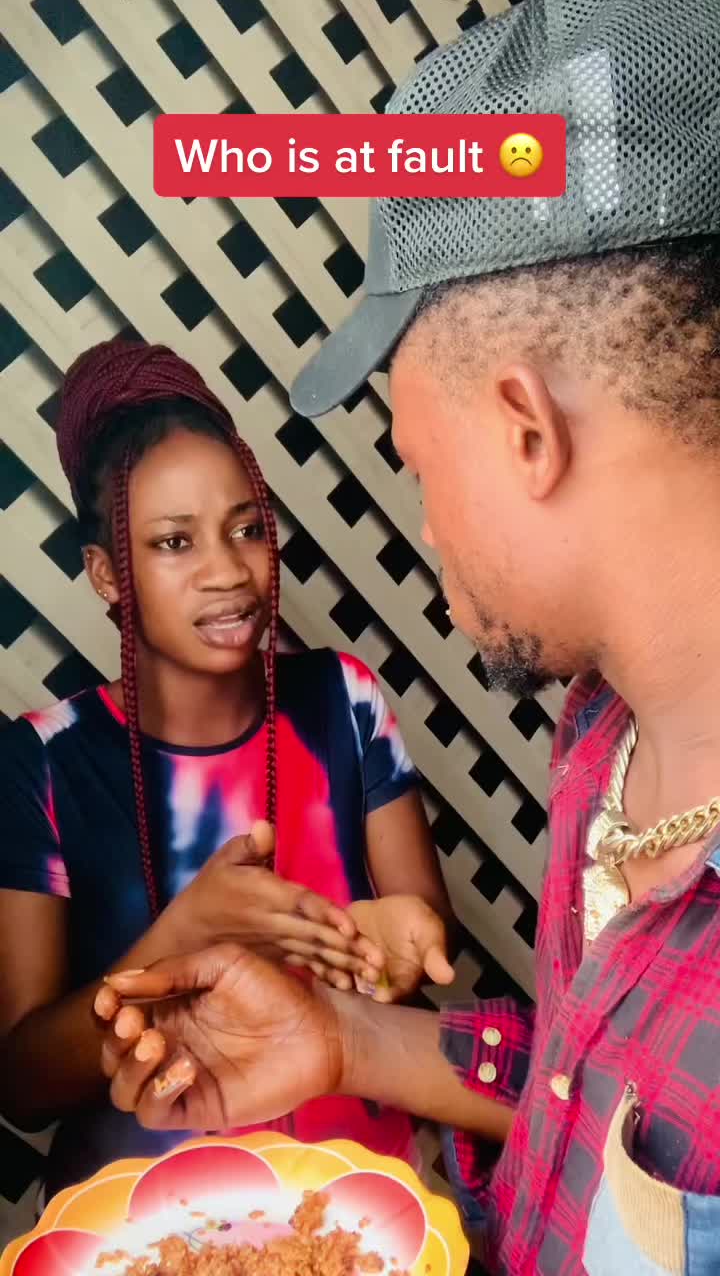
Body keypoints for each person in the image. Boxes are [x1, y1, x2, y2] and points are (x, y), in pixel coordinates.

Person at [95, 0, 720, 1272]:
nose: (428, 527)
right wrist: (342, 1039)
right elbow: (587, 1098)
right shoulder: (603, 737)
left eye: (419, 467)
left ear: (525, 430)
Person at [0, 339, 456, 1200]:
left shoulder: (342, 698)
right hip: (154, 1224)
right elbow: (22, 1084)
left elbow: (422, 925)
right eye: (174, 542)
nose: (227, 570)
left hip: (364, 1197)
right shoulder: (44, 762)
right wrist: (182, 939)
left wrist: (396, 946)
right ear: (108, 574)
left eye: (247, 528)